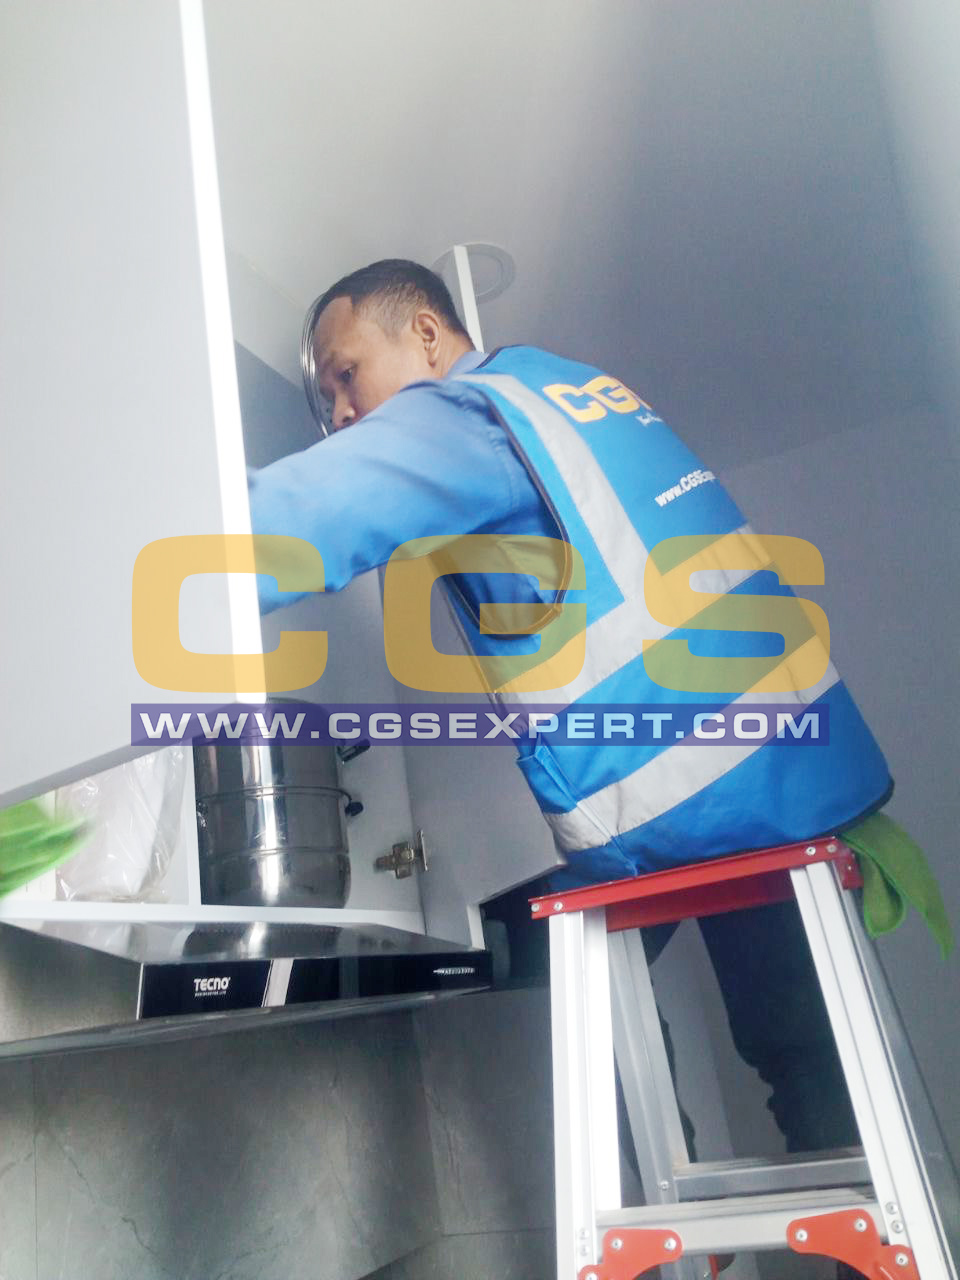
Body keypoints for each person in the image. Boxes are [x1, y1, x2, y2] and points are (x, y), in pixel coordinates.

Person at [248, 259, 891, 1273]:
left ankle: (668, 1236)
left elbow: (280, 527)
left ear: (425, 335)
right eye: (327, 400)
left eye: (344, 375)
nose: (339, 415)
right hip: (778, 779)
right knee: (810, 1067)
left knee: (562, 987)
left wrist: (99, 566)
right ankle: (792, 1240)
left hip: (681, 804)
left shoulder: (468, 416)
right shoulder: (572, 392)